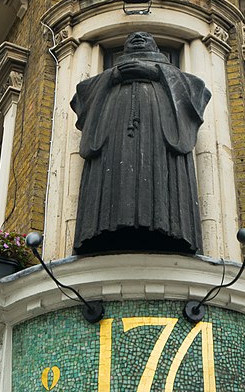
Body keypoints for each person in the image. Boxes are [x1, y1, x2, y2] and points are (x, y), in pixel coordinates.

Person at [70, 31, 211, 254]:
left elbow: (198, 90)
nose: (138, 37)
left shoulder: (172, 73)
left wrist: (157, 72)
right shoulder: (108, 76)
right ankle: (103, 230)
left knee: (155, 172)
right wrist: (113, 76)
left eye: (145, 36)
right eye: (132, 36)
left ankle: (168, 227)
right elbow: (81, 95)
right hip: (115, 142)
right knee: (117, 172)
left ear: (156, 47)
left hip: (159, 144)